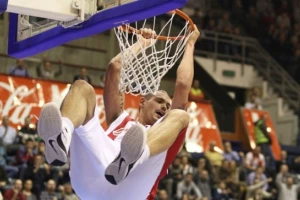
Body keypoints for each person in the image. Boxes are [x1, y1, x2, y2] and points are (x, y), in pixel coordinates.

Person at [37, 26, 200, 200]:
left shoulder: (166, 130)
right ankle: (62, 136)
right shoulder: (121, 119)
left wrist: (189, 44)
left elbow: (182, 84)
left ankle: (135, 158)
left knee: (181, 116)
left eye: (167, 105)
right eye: (159, 101)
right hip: (93, 179)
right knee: (82, 87)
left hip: (131, 192)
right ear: (143, 102)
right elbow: (115, 67)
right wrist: (141, 44)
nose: (164, 108)